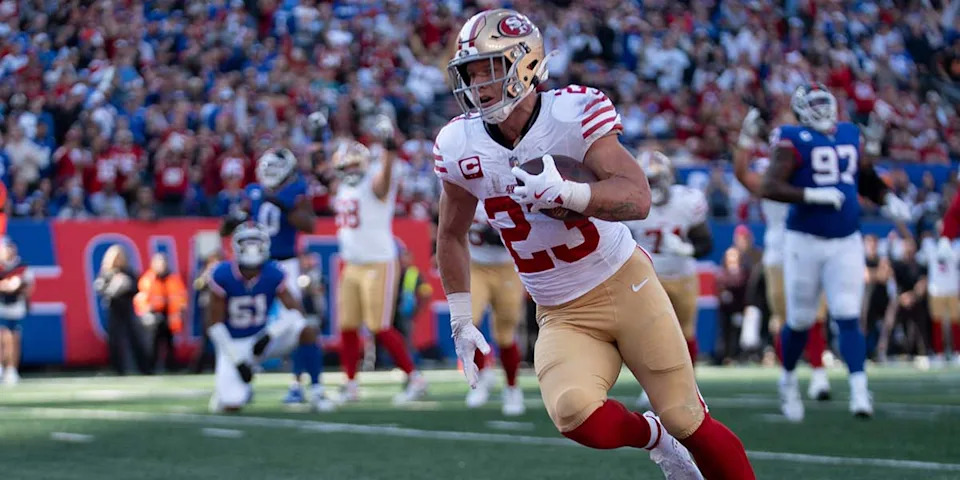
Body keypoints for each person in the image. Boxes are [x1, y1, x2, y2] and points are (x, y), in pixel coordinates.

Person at [434, 9, 754, 479]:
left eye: (490, 69)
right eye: (470, 73)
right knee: (574, 413)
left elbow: (637, 196)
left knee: (686, 416)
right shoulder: (459, 144)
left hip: (624, 284)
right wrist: (461, 315)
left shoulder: (571, 112)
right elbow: (451, 232)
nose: (478, 84)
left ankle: (675, 433)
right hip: (560, 309)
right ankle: (654, 439)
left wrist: (570, 194)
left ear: (525, 64)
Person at [760, 83, 912, 421]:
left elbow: (867, 178)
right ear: (800, 111)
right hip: (804, 240)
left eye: (822, 102)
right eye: (811, 104)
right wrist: (812, 196)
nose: (820, 109)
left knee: (846, 313)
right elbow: (770, 185)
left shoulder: (849, 134)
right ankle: (787, 382)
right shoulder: (791, 139)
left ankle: (859, 390)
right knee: (799, 319)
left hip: (846, 239)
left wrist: (887, 199)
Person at [734, 108, 830, 401]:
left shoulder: (812, 165)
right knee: (784, 317)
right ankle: (788, 377)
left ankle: (818, 374)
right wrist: (745, 139)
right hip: (779, 247)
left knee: (815, 315)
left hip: (809, 243)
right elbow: (742, 174)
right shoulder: (770, 170)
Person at [331, 128, 428, 404]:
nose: (349, 169)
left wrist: (389, 151)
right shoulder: (342, 186)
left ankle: (414, 378)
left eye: (353, 164)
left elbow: (385, 180)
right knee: (348, 326)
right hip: (352, 263)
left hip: (378, 263)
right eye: (345, 165)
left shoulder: (374, 182)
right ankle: (350, 383)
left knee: (378, 326)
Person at [220, 148, 318, 405]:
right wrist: (236, 219)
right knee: (249, 322)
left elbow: (309, 224)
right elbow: (229, 226)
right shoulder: (252, 191)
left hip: (286, 263)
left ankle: (299, 384)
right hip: (255, 266)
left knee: (297, 323)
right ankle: (244, 378)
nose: (270, 174)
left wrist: (281, 203)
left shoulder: (295, 191)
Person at [206, 222, 333, 413]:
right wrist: (238, 362)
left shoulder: (273, 272)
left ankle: (317, 391)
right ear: (236, 246)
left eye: (255, 242)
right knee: (231, 404)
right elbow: (214, 325)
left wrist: (270, 334)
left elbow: (296, 312)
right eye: (247, 243)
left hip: (263, 338)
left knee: (307, 330)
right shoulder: (223, 274)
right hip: (234, 345)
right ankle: (232, 388)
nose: (251, 248)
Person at [625, 151, 712, 408]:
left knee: (685, 333)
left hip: (682, 275)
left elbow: (705, 242)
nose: (652, 186)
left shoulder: (687, 201)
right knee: (648, 335)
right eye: (647, 180)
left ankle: (689, 386)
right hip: (648, 276)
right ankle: (651, 387)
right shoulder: (630, 204)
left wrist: (688, 249)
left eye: (655, 179)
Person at [464, 202, 525, 416]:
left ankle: (511, 388)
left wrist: (500, 234)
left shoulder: (510, 187)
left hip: (508, 267)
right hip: (475, 265)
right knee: (468, 322)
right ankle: (482, 377)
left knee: (506, 333)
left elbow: (527, 229)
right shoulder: (463, 186)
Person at [94, 245, 151, 375]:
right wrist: (113, 288)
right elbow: (99, 288)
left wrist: (127, 285)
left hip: (128, 309)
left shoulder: (128, 272)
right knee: (115, 341)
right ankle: (118, 369)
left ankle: (144, 369)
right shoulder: (106, 273)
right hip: (114, 310)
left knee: (135, 339)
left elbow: (137, 287)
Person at [134, 253, 187, 372]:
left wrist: (180, 310)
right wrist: (147, 312)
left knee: (170, 344)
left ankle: (171, 367)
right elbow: (141, 299)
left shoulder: (174, 279)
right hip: (154, 317)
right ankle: (150, 368)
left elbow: (182, 296)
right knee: (152, 345)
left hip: (170, 316)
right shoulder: (148, 280)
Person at [0, 238, 32, 385]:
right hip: (1, 304)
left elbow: (28, 287)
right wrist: (5, 285)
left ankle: (11, 369)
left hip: (15, 306)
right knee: (2, 337)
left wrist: (17, 287)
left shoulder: (22, 267)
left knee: (13, 338)